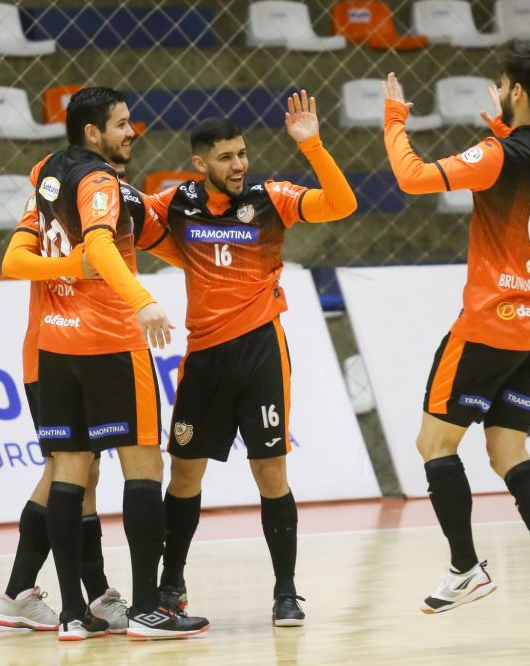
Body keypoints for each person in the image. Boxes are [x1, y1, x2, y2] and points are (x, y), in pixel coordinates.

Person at [382, 40, 530, 641]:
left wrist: (396, 119)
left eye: (502, 82)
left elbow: (412, 176)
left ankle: (466, 568)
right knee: (508, 454)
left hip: (486, 329)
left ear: (517, 91)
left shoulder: (497, 153)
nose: (497, 88)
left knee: (434, 445)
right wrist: (502, 136)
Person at [1, 86, 208, 640]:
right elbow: (97, 246)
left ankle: (76, 610)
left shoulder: (47, 173)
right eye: (121, 123)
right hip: (108, 340)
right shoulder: (100, 182)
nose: (131, 131)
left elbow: (17, 258)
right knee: (138, 466)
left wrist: (67, 264)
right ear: (93, 133)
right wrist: (140, 299)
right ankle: (145, 608)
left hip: (53, 344)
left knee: (72, 470)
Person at [147, 91, 357, 627]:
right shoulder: (175, 204)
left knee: (270, 470)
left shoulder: (272, 196)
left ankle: (286, 591)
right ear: (200, 163)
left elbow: (342, 205)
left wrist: (311, 145)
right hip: (204, 357)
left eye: (242, 153)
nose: (239, 165)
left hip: (261, 350)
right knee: (185, 474)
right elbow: (128, 226)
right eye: (225, 157)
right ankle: (172, 584)